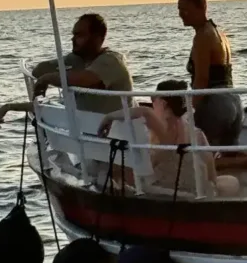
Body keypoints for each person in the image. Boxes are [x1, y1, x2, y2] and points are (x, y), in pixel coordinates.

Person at [97, 79, 228, 195]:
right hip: (200, 185)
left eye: (153, 100)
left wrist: (108, 117)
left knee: (120, 173)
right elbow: (209, 164)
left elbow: (145, 111)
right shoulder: (195, 132)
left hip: (174, 187)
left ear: (163, 104)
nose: (151, 104)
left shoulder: (163, 127)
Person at [178, 0, 243, 148]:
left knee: (203, 155)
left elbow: (201, 79)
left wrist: (190, 111)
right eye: (179, 9)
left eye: (185, 9)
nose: (181, 14)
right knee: (231, 153)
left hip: (215, 103)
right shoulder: (220, 34)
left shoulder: (202, 36)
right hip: (233, 99)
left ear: (202, 7)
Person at [32, 13, 133, 113]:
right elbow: (38, 70)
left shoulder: (111, 61)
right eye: (74, 35)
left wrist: (46, 79)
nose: (73, 39)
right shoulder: (77, 59)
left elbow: (85, 80)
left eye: (79, 35)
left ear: (97, 38)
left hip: (118, 126)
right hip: (85, 125)